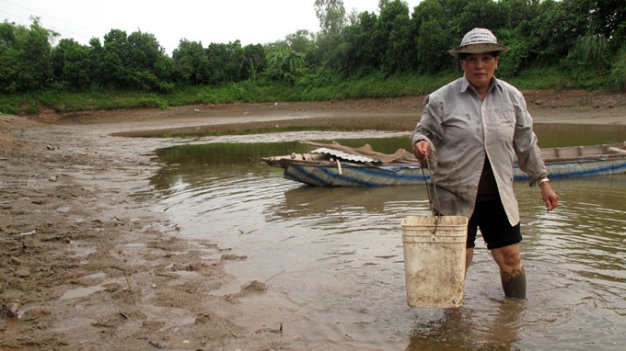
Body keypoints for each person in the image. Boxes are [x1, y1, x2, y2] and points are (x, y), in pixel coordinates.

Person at [410, 28, 559, 299]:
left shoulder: (512, 97)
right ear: (462, 63)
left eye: (487, 58)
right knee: (457, 263)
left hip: (499, 197)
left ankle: (513, 320)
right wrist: (422, 144)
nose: (479, 65)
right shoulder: (442, 98)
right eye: (471, 59)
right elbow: (423, 133)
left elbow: (526, 142)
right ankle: (451, 327)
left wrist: (544, 182)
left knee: (511, 258)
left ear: (496, 61)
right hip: (454, 195)